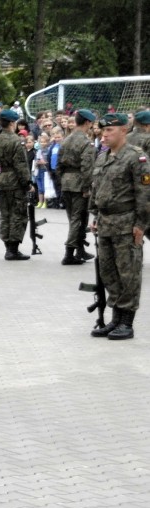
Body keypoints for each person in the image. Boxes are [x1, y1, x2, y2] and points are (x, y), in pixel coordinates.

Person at [88, 113, 150, 340]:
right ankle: (115, 318)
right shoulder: (103, 156)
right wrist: (95, 215)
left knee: (128, 273)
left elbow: (145, 195)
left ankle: (126, 321)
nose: (104, 135)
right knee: (108, 272)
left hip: (126, 224)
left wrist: (141, 225)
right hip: (105, 223)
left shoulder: (136, 157)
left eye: (109, 131)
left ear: (123, 130)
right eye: (102, 131)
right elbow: (97, 189)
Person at [0, 108, 33, 260]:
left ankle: (8, 247)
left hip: (3, 180)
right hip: (15, 182)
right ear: (12, 123)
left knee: (5, 215)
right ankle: (13, 249)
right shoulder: (16, 141)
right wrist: (27, 184)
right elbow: (21, 166)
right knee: (17, 214)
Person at [56, 109, 96, 265]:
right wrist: (87, 187)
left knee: (73, 217)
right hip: (79, 184)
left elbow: (58, 165)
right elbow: (87, 168)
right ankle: (69, 253)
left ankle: (80, 250)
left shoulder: (66, 140)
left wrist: (61, 182)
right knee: (77, 220)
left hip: (67, 182)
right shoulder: (86, 143)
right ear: (87, 122)